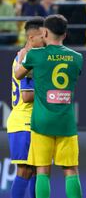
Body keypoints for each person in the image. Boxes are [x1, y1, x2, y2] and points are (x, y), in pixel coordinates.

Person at [14, 14, 83, 198]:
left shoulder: (35, 55)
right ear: (65, 34)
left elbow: (19, 75)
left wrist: (22, 59)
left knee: (43, 170)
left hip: (41, 121)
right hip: (66, 122)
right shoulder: (77, 58)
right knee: (71, 170)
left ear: (44, 32)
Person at [7, 17, 45, 198]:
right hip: (24, 122)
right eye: (42, 36)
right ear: (31, 38)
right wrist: (49, 88)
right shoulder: (27, 58)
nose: (45, 39)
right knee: (25, 171)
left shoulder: (27, 56)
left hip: (32, 122)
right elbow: (27, 96)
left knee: (37, 172)